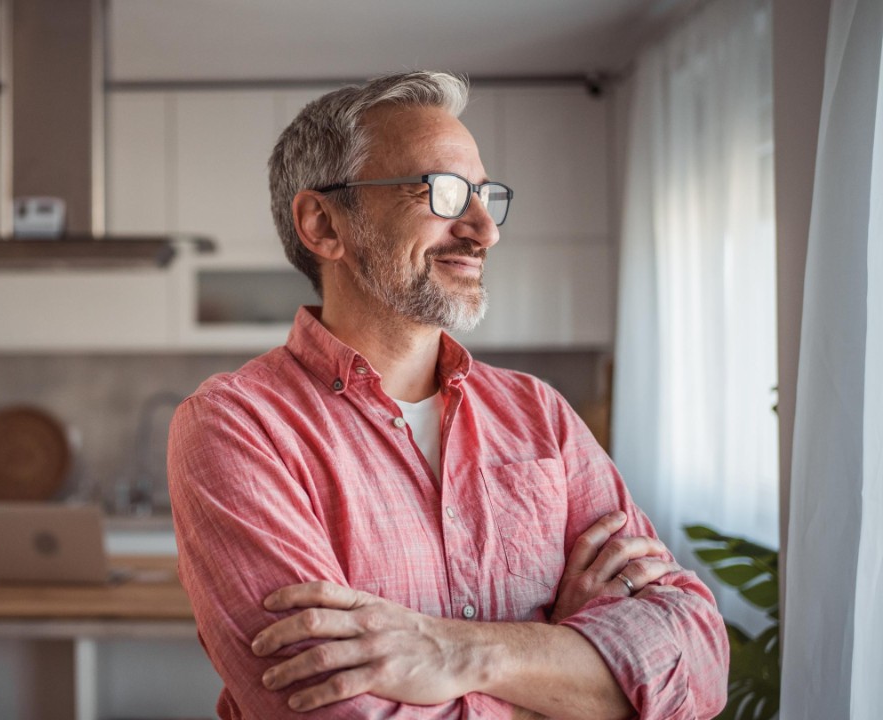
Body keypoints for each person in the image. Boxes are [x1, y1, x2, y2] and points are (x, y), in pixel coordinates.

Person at [167, 71, 728, 719]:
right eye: (444, 193)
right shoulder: (236, 426)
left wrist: (462, 652)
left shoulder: (538, 414)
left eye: (485, 195)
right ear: (324, 225)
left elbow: (698, 664)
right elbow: (331, 712)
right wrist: (568, 666)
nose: (485, 229)